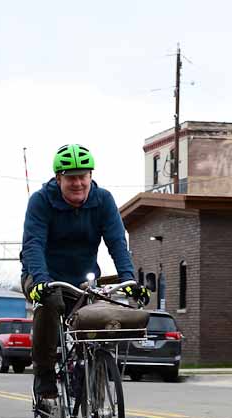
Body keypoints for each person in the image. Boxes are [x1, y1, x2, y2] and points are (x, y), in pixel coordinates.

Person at [20, 144, 149, 399]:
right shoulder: (41, 201)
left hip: (83, 280)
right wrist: (41, 281)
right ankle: (44, 375)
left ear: (91, 176)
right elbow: (33, 244)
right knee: (50, 302)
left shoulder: (103, 201)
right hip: (43, 275)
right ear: (59, 179)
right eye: (71, 177)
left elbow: (116, 242)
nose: (78, 183)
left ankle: (90, 380)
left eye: (83, 176)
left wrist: (128, 279)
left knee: (97, 319)